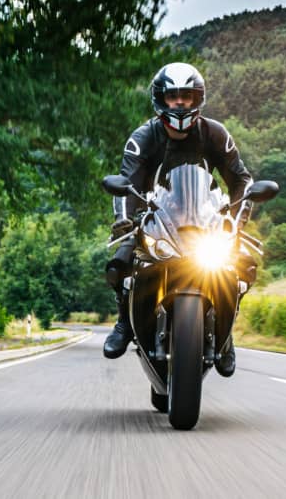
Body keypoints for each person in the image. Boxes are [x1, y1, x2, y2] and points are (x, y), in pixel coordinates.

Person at [103, 62, 253, 376]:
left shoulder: (214, 133)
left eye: (187, 95)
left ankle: (225, 336)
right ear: (161, 99)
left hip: (205, 222)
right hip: (156, 218)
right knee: (119, 264)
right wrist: (124, 220)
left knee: (243, 265)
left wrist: (237, 221)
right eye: (173, 97)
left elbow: (241, 180)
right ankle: (124, 322)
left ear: (198, 98)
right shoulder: (143, 137)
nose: (180, 103)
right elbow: (126, 182)